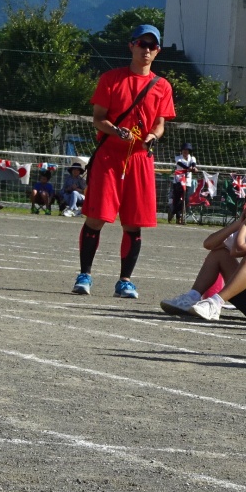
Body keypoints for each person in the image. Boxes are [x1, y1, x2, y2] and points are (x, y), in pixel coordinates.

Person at [72, 24, 175, 299]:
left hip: (140, 158)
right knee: (96, 217)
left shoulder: (162, 85)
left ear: (158, 51)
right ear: (131, 45)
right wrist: (116, 130)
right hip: (109, 156)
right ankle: (85, 275)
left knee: (134, 222)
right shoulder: (111, 79)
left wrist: (154, 135)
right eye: (142, 44)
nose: (146, 50)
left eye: (152, 46)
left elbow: (161, 123)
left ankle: (125, 281)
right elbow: (98, 118)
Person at [158, 185, 246, 322]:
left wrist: (245, 225)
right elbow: (209, 244)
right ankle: (192, 297)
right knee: (219, 253)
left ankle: (216, 303)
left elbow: (237, 250)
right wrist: (237, 224)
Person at [169, 142, 196, 224]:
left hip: (187, 181)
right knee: (176, 199)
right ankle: (178, 216)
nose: (185, 152)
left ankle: (174, 212)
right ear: (181, 151)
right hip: (178, 181)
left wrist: (193, 168)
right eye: (184, 150)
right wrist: (188, 168)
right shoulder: (178, 158)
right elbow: (181, 164)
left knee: (186, 200)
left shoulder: (192, 158)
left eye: (187, 150)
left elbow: (193, 164)